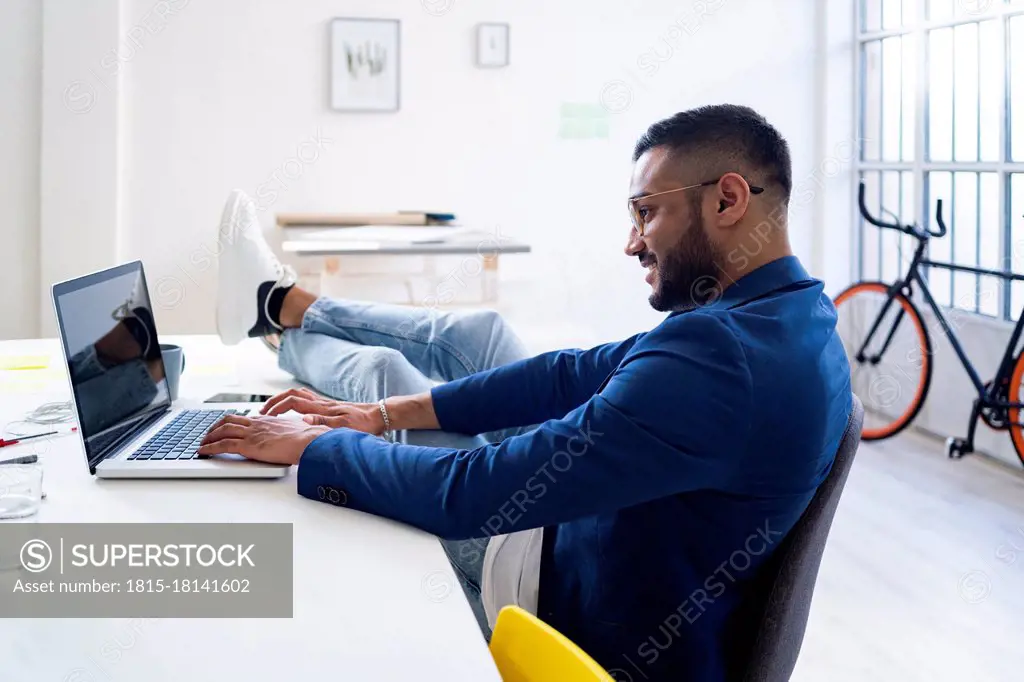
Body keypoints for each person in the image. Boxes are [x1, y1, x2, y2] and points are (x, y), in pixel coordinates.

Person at [199, 104, 852, 681]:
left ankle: (277, 329)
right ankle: (279, 307)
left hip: (555, 599)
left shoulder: (719, 361)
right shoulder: (791, 316)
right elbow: (570, 373)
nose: (631, 243)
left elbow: (470, 494)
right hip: (601, 534)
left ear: (728, 200)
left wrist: (316, 448)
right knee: (468, 343)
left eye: (646, 213)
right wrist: (382, 417)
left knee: (386, 373)